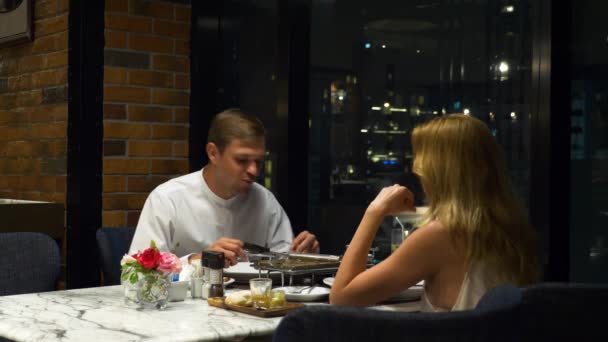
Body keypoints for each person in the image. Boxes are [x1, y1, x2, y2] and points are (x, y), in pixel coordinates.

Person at [329, 114, 540, 311]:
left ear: (437, 172)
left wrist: (374, 212)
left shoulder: (440, 236)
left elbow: (342, 298)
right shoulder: (512, 228)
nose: (415, 169)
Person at [129, 108, 319, 266]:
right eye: (242, 160)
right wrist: (198, 261)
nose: (254, 170)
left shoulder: (265, 202)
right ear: (213, 153)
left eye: (259, 161)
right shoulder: (168, 199)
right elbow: (135, 275)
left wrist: (303, 257)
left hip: (248, 308)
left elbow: (283, 264)